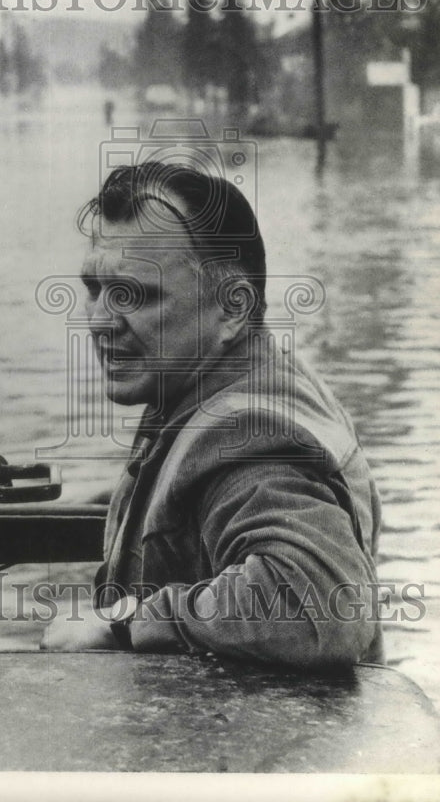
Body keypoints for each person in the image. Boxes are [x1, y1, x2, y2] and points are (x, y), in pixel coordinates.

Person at [41, 161, 383, 669]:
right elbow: (190, 502)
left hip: (247, 744)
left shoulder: (248, 436)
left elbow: (324, 608)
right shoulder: (226, 377)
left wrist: (121, 622)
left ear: (232, 307)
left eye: (134, 294)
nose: (99, 321)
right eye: (95, 288)